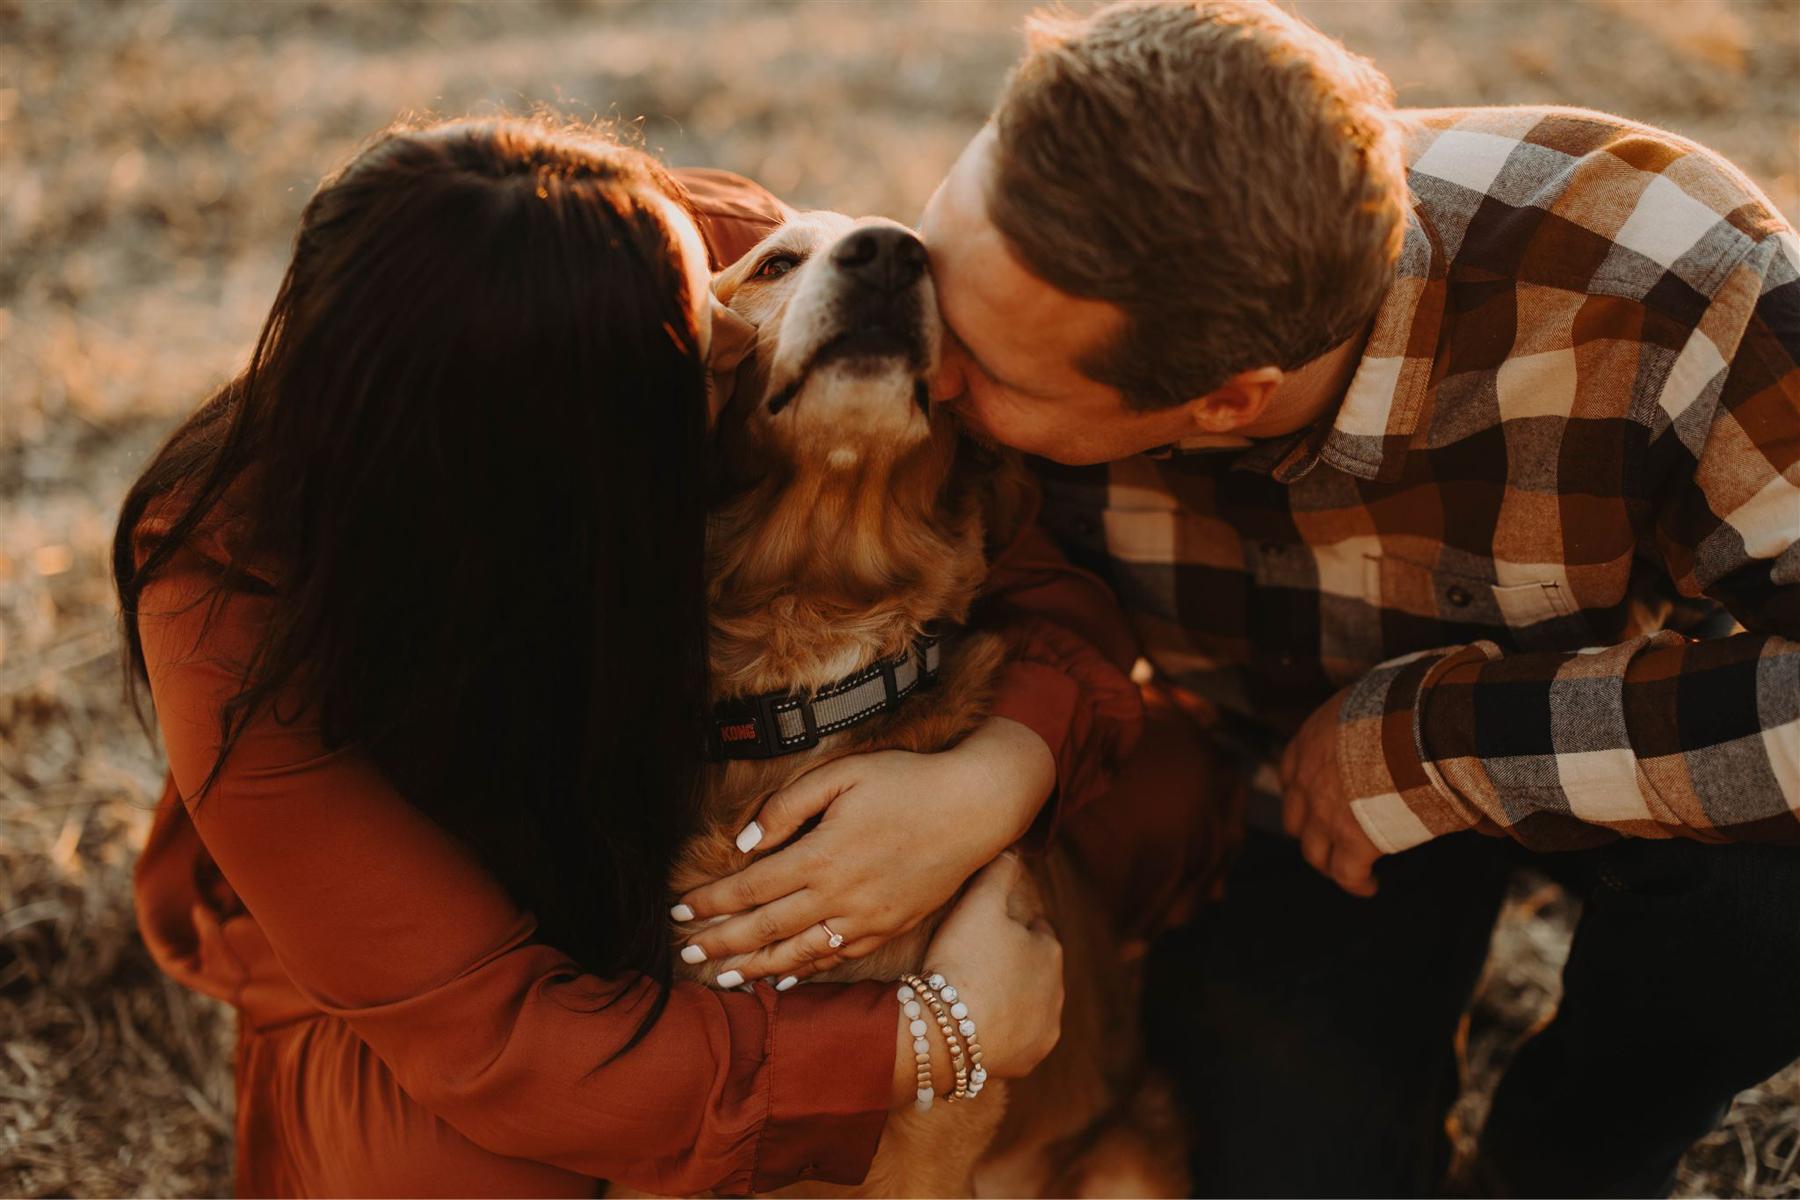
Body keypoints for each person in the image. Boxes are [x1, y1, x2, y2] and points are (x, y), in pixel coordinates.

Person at [688, 1, 1800, 1194]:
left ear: (1223, 404)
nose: (934, 371)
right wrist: (1000, 769)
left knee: (1768, 902)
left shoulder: (1676, 273)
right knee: (1290, 1170)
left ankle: (1581, 1150)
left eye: (991, 376)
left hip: (1645, 736)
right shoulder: (1034, 266)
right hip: (1287, 794)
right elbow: (1032, 603)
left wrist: (1423, 738)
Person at [118, 117, 1088, 1198]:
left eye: (714, 320)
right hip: (437, 948)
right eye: (690, 366)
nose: (736, 346)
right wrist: (939, 1032)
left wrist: (997, 776)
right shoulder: (228, 594)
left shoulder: (683, 250)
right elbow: (508, 1045)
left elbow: (1065, 587)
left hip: (671, 790)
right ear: (517, 472)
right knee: (454, 1176)